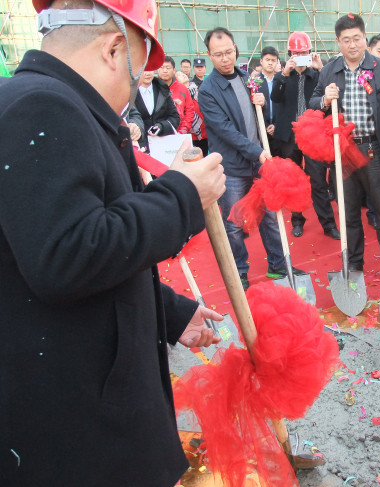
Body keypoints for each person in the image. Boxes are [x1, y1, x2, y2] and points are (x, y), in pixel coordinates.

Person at [0, 0, 226, 485]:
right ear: (113, 49)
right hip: (79, 424)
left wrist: (168, 310)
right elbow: (66, 255)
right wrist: (183, 195)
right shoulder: (42, 105)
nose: (133, 90)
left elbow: (70, 239)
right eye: (137, 72)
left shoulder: (62, 105)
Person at [310, 13, 380, 284]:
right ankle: (354, 263)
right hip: (342, 153)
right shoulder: (330, 70)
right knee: (349, 211)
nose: (352, 45)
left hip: (374, 149)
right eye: (346, 40)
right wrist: (324, 100)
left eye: (357, 39)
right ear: (337, 42)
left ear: (365, 38)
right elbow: (312, 101)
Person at [199, 27, 297, 290]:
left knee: (270, 215)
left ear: (235, 49)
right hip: (231, 166)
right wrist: (257, 152)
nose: (225, 58)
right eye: (218, 54)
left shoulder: (247, 78)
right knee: (233, 222)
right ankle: (239, 271)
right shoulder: (208, 90)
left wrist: (261, 104)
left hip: (258, 160)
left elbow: (256, 119)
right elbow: (225, 131)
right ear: (209, 55)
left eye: (229, 51)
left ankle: (278, 264)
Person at [271, 32, 340, 240]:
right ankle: (297, 220)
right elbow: (275, 97)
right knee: (293, 181)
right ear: (289, 53)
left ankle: (328, 224)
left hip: (312, 136)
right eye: (296, 52)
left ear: (310, 53)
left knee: (318, 180)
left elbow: (330, 94)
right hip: (289, 136)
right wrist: (284, 73)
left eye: (304, 52)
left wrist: (321, 68)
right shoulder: (281, 76)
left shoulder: (318, 74)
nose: (300, 56)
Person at [131, 68, 180, 152]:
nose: (147, 73)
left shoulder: (163, 90)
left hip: (162, 144)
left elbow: (175, 117)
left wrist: (161, 126)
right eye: (144, 70)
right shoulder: (129, 93)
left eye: (150, 69)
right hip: (139, 146)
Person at [158, 56, 194, 134]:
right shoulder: (152, 87)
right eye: (162, 67)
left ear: (174, 70)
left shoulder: (182, 89)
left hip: (179, 133)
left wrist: (183, 129)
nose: (165, 71)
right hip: (156, 134)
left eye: (168, 68)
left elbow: (189, 111)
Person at [189, 57, 208, 155]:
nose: (200, 69)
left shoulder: (209, 83)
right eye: (197, 67)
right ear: (194, 69)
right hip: (197, 125)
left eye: (201, 67)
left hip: (208, 122)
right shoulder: (190, 85)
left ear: (205, 68)